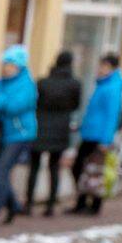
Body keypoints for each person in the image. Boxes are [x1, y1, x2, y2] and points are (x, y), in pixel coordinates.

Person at [0, 44, 36, 228]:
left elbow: (13, 107)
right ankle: (13, 205)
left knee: (1, 171)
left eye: (10, 65)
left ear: (19, 66)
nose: (6, 68)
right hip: (0, 134)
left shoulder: (27, 85)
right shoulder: (0, 84)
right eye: (5, 64)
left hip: (19, 134)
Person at [26, 51, 81, 217]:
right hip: (60, 128)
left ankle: (28, 203)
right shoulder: (74, 84)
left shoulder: (43, 82)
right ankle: (50, 204)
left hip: (40, 125)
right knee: (54, 167)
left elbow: (36, 102)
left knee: (34, 167)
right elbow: (76, 105)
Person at [70, 53, 122, 216]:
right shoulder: (102, 84)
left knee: (96, 171)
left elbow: (111, 115)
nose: (100, 69)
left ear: (112, 68)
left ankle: (94, 205)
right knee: (82, 168)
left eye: (104, 66)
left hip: (99, 136)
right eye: (101, 65)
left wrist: (106, 140)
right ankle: (81, 202)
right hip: (89, 133)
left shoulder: (113, 87)